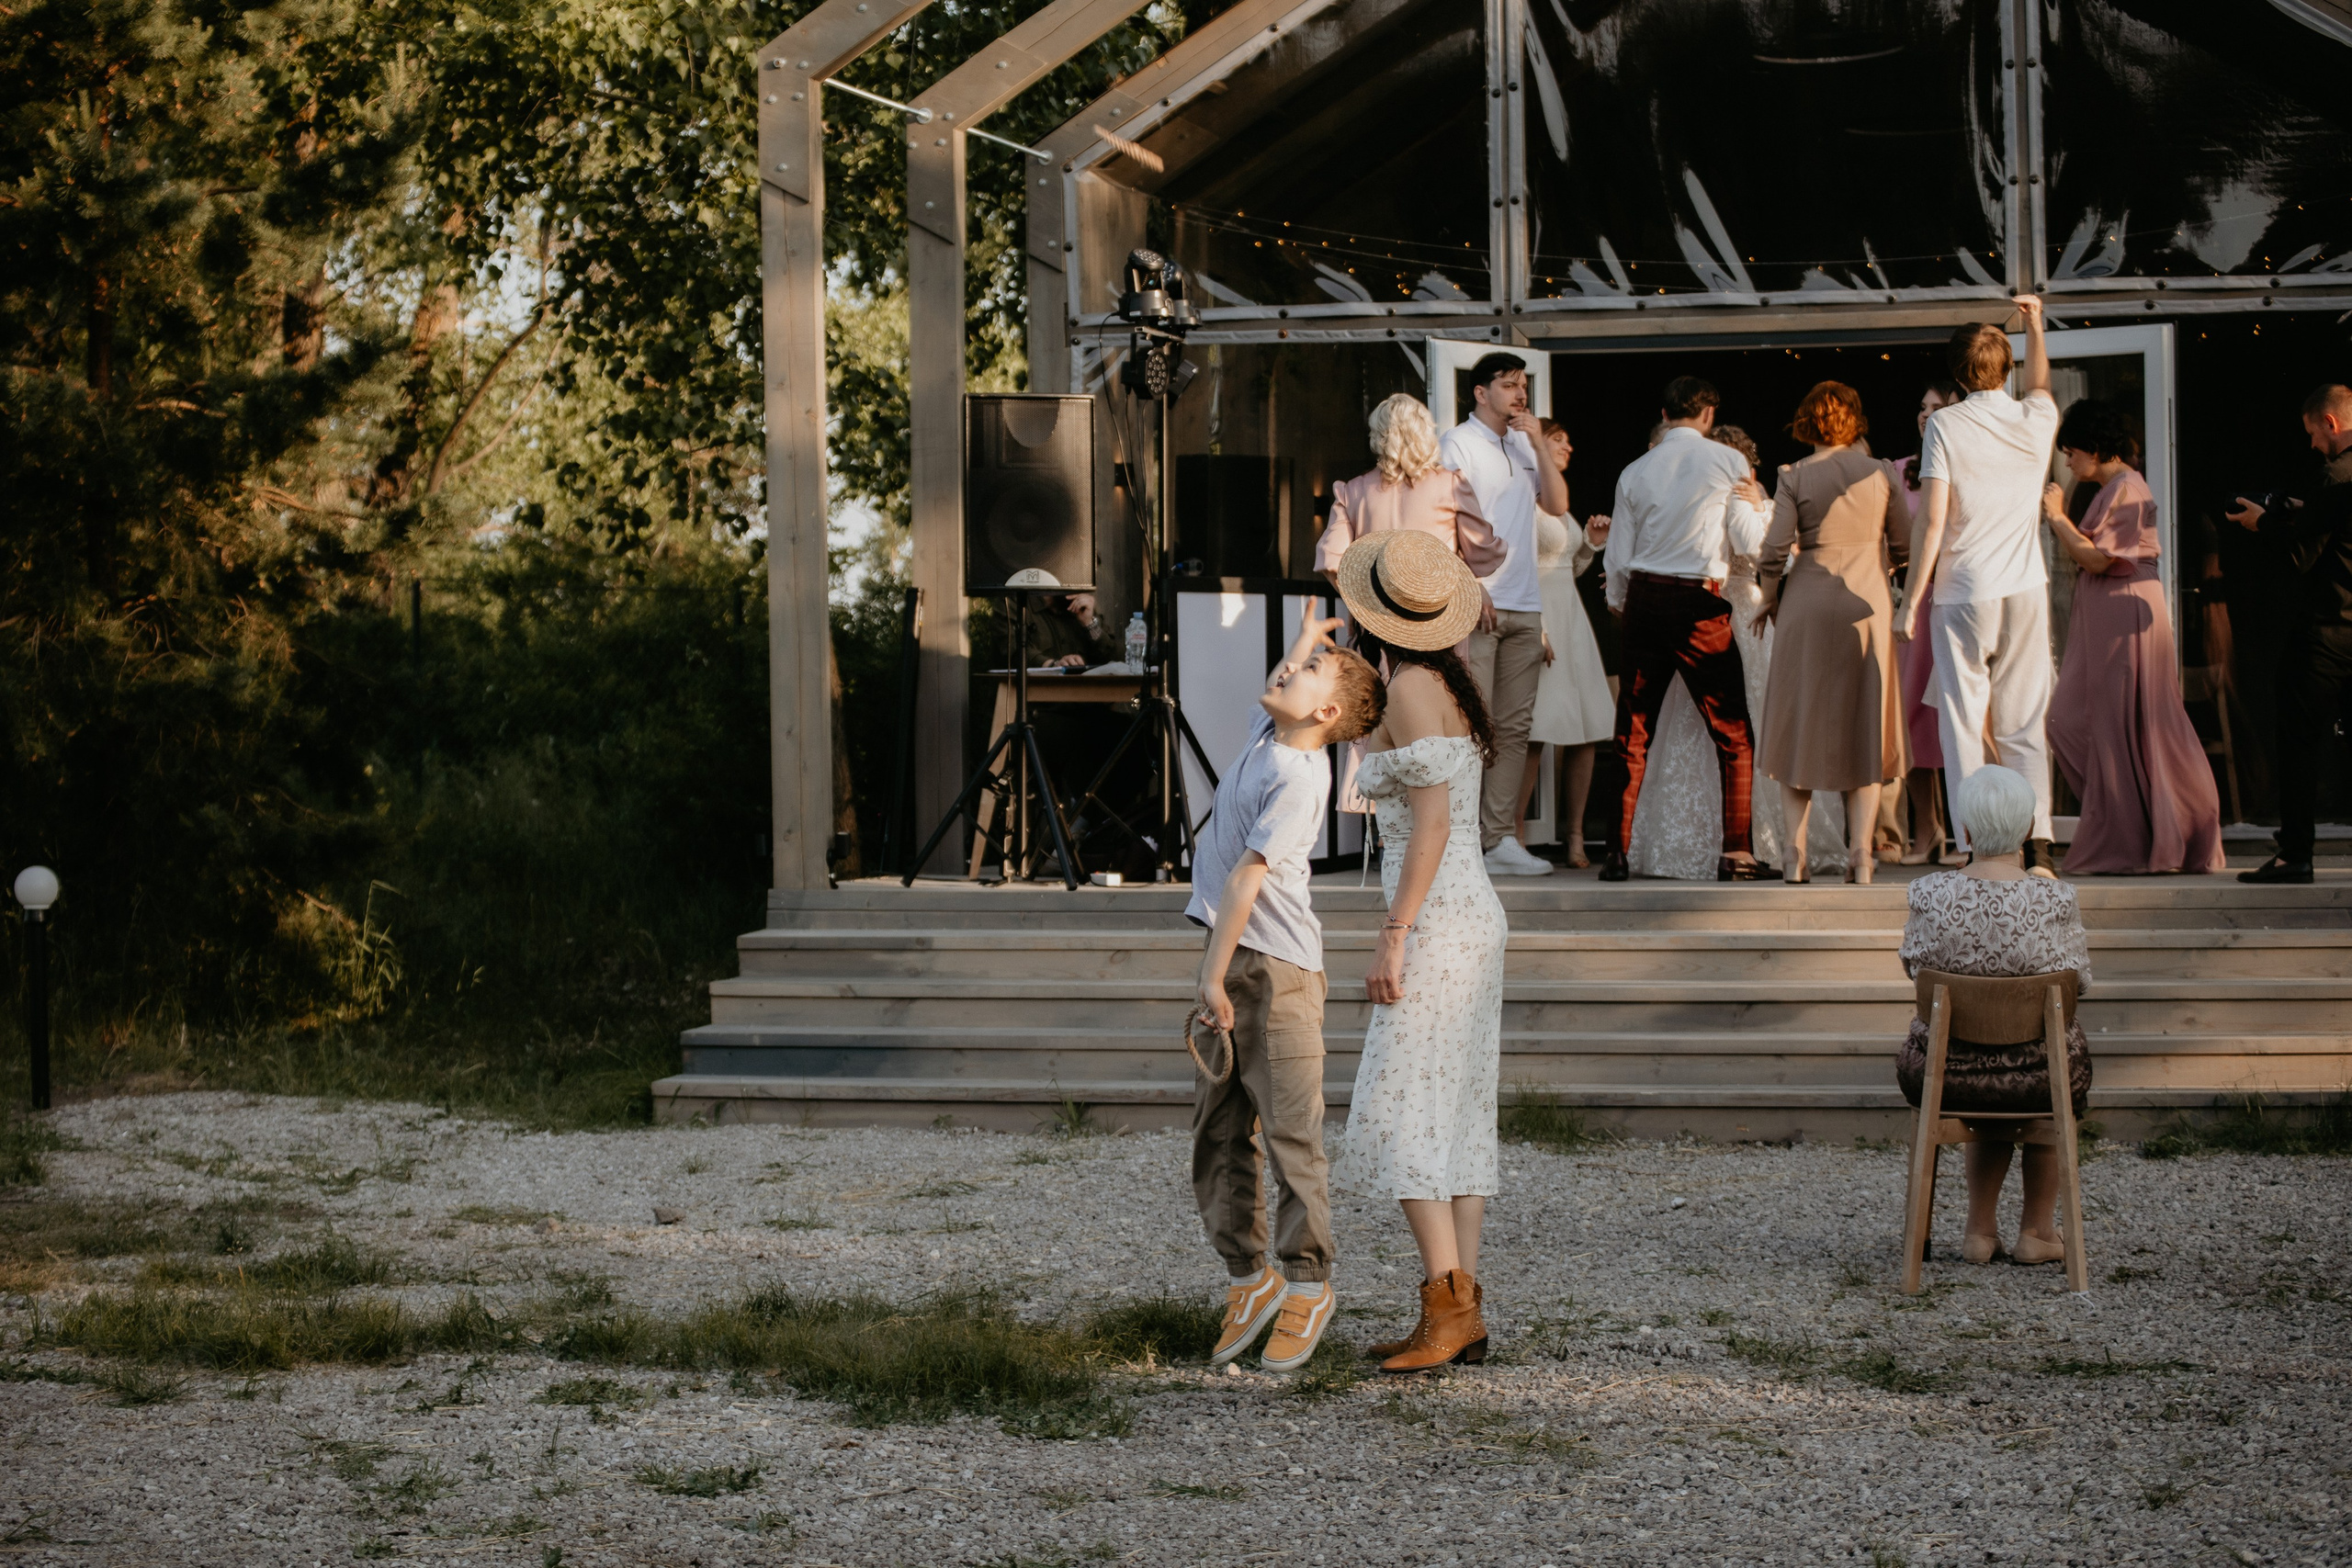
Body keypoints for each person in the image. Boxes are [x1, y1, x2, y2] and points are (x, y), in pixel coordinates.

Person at [1189, 605, 1386, 1372]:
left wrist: (1211, 969)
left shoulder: (1302, 775)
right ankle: (1250, 1276)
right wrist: (1308, 641)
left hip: (1276, 972)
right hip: (1231, 956)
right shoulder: (1268, 737)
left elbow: (1247, 874)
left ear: (1328, 713)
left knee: (1291, 1137)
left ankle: (1307, 1284)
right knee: (1216, 1131)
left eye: (1302, 674)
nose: (1284, 674)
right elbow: (1280, 685)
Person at [1329, 530, 1508, 1374]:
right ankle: (1458, 1305)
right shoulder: (1446, 682)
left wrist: (1393, 932)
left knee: (1406, 1108)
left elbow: (1430, 825)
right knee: (1457, 1114)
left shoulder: (1408, 687)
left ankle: (1449, 1304)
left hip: (1439, 915)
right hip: (1471, 910)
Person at [1896, 765, 2094, 1267]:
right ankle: (2038, 1231)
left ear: (1964, 831)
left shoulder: (1928, 893)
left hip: (1948, 1074)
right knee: (2052, 1064)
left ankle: (1979, 1232)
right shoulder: (2056, 898)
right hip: (2036, 1076)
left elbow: (1913, 968)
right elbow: (2079, 984)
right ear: (2028, 831)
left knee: (1981, 1057)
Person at [1895, 296, 2062, 876]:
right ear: (2006, 368)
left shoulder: (1944, 423)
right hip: (2024, 586)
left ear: (1959, 376)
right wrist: (2036, 322)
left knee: (1963, 719)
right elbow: (2041, 383)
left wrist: (1911, 602)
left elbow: (1932, 520)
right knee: (2023, 719)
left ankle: (1981, 847)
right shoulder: (2036, 419)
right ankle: (2039, 845)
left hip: (1965, 587)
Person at [1595, 376, 1774, 883]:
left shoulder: (1636, 469)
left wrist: (1618, 603)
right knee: (1733, 732)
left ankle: (1617, 852)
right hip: (1699, 597)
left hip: (1645, 597)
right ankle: (1736, 852)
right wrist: (1759, 510)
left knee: (1631, 732)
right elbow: (1748, 542)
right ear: (1709, 414)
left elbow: (1619, 554)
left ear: (1666, 412)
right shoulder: (1727, 462)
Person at [2042, 400, 2225, 875]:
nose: (2067, 461)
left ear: (2095, 448)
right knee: (2079, 719)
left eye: (2071, 451)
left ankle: (2174, 827)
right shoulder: (2115, 488)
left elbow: (2100, 559)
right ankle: (2128, 823)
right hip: (2108, 611)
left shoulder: (2127, 487)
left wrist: (2058, 517)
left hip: (2124, 610)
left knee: (2138, 722)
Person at [1758, 382, 1908, 886]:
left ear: (1805, 423)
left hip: (1805, 603)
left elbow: (1775, 551)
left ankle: (1793, 855)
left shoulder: (1793, 475)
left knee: (1798, 724)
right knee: (1865, 722)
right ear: (1855, 421)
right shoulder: (1881, 472)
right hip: (1865, 600)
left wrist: (1768, 598)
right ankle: (1862, 855)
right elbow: (1904, 543)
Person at [1439, 353, 1570, 879]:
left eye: (1523, 385)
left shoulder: (1522, 443)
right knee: (1473, 723)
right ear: (1479, 392)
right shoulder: (1457, 443)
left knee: (1514, 727)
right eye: (1508, 384)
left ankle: (1499, 839)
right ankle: (1460, 839)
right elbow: (1444, 523)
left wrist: (1539, 442)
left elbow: (1558, 506)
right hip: (1479, 604)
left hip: (1524, 602)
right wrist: (1469, 586)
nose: (1519, 394)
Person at [2229, 383, 2352, 885]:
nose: (2312, 445)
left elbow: (2305, 552)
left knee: (2298, 738)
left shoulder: (2335, 473)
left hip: (2329, 630)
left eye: (2312, 434)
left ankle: (2295, 853)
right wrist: (2306, 512)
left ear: (2331, 423)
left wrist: (2263, 523)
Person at [1519, 418, 1614, 866]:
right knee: (1535, 731)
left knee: (1584, 732)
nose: (1569, 447)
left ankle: (1574, 836)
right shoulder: (1520, 497)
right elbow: (1516, 570)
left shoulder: (1560, 502)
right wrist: (1533, 626)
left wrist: (1591, 547)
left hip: (1570, 617)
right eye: (1560, 439)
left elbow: (1566, 569)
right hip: (1538, 617)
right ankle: (1512, 832)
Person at [1887, 380, 1965, 863]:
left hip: (1958, 597)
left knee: (1959, 718)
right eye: (1922, 406)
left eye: (1938, 407)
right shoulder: (1900, 471)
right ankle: (1927, 831)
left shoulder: (1969, 466)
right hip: (1916, 600)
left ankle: (1975, 835)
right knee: (1913, 718)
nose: (1925, 414)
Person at [1315, 393, 1507, 583]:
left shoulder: (1352, 491)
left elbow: (1331, 560)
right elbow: (1482, 553)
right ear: (1424, 433)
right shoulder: (1451, 484)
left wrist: (1363, 598)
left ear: (1378, 436)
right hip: (1436, 607)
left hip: (1375, 608)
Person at [1023, 592, 1117, 669]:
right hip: (1040, 689)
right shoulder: (1022, 605)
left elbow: (1116, 658)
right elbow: (1014, 651)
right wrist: (1053, 665)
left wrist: (1090, 625)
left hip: (1086, 689)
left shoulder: (1082, 607)